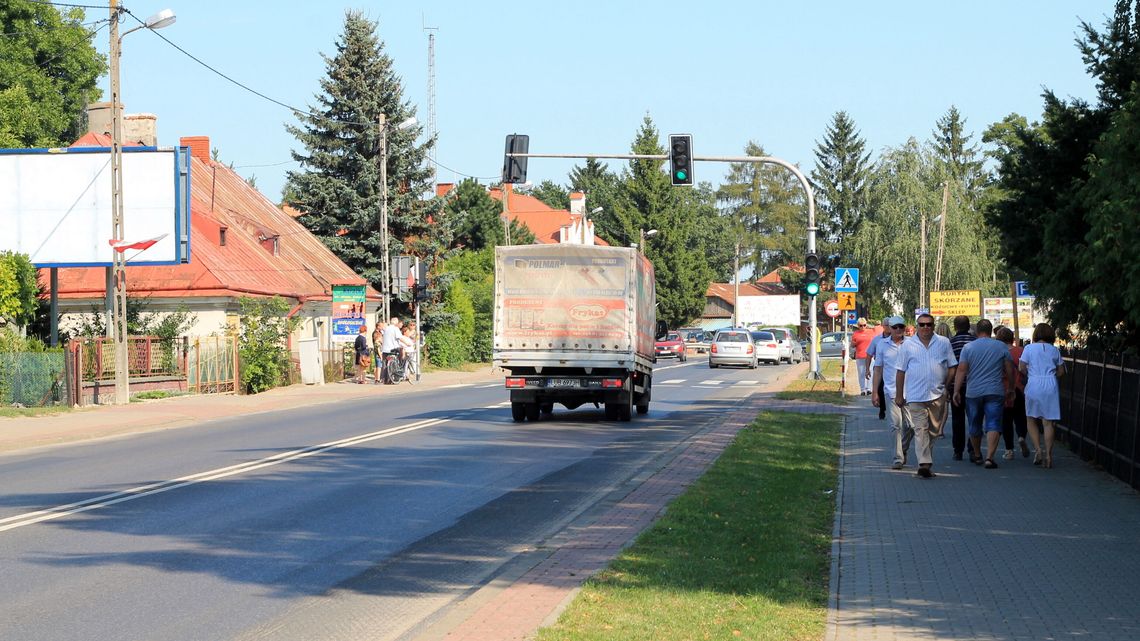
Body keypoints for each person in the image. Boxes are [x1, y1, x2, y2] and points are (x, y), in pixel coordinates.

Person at [895, 313, 957, 478]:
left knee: (933, 431)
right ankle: (924, 463)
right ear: (917, 326)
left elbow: (952, 366)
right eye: (922, 324)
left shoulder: (943, 343)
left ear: (933, 325)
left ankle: (926, 464)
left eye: (928, 324)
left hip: (937, 394)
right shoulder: (908, 345)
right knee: (920, 429)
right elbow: (900, 371)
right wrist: (899, 395)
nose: (925, 328)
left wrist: (946, 385)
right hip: (915, 395)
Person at [952, 319, 1014, 469]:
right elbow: (1010, 369)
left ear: (977, 331)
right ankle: (990, 458)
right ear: (991, 330)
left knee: (974, 423)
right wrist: (1011, 388)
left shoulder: (968, 347)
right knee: (993, 423)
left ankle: (977, 454)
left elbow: (962, 370)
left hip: (973, 392)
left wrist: (956, 390)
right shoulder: (1001, 346)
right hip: (995, 391)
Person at [1020, 323, 1066, 468]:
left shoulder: (1028, 348)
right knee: (1048, 422)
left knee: (1031, 418)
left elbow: (1021, 367)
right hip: (1050, 384)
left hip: (1034, 382)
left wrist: (1030, 374)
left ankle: (1038, 450)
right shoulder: (1055, 350)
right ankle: (1049, 455)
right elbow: (1061, 371)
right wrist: (1052, 376)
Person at [872, 316, 913, 469]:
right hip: (891, 391)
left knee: (912, 426)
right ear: (889, 328)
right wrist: (874, 391)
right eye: (895, 327)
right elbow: (878, 369)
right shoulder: (882, 345)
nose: (898, 330)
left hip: (911, 391)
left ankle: (902, 449)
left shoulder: (912, 343)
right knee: (895, 426)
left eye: (901, 327)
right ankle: (897, 458)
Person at [995, 326, 1029, 459]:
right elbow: (1026, 369)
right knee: (1021, 416)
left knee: (1006, 420)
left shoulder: (998, 352)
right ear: (1012, 338)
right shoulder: (1021, 351)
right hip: (1019, 388)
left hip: (1003, 389)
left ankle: (1009, 450)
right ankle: (1021, 436)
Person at [948, 315, 976, 461]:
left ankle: (957, 450)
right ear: (968, 326)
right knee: (973, 418)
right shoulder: (975, 342)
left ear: (955, 327)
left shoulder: (950, 343)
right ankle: (973, 448)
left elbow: (948, 365)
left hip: (955, 386)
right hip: (973, 385)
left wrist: (948, 386)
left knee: (957, 418)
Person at [865, 317, 893, 420]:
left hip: (892, 369)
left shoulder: (897, 338)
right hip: (880, 368)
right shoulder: (877, 340)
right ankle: (882, 409)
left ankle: (891, 407)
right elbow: (869, 354)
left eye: (890, 325)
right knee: (880, 389)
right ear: (882, 326)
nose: (889, 328)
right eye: (886, 325)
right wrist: (867, 369)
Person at [850, 318, 876, 396]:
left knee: (870, 372)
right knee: (861, 373)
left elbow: (875, 343)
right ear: (858, 326)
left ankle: (869, 389)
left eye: (864, 325)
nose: (863, 327)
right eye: (861, 326)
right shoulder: (855, 333)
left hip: (870, 355)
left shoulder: (871, 332)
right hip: (860, 356)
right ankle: (862, 389)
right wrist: (854, 343)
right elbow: (852, 345)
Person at [379, 317, 403, 384]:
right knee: (395, 363)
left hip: (385, 349)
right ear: (396, 323)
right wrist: (407, 343)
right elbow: (400, 338)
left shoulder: (386, 328)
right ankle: (393, 378)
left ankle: (383, 379)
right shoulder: (395, 329)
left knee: (385, 364)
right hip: (393, 349)